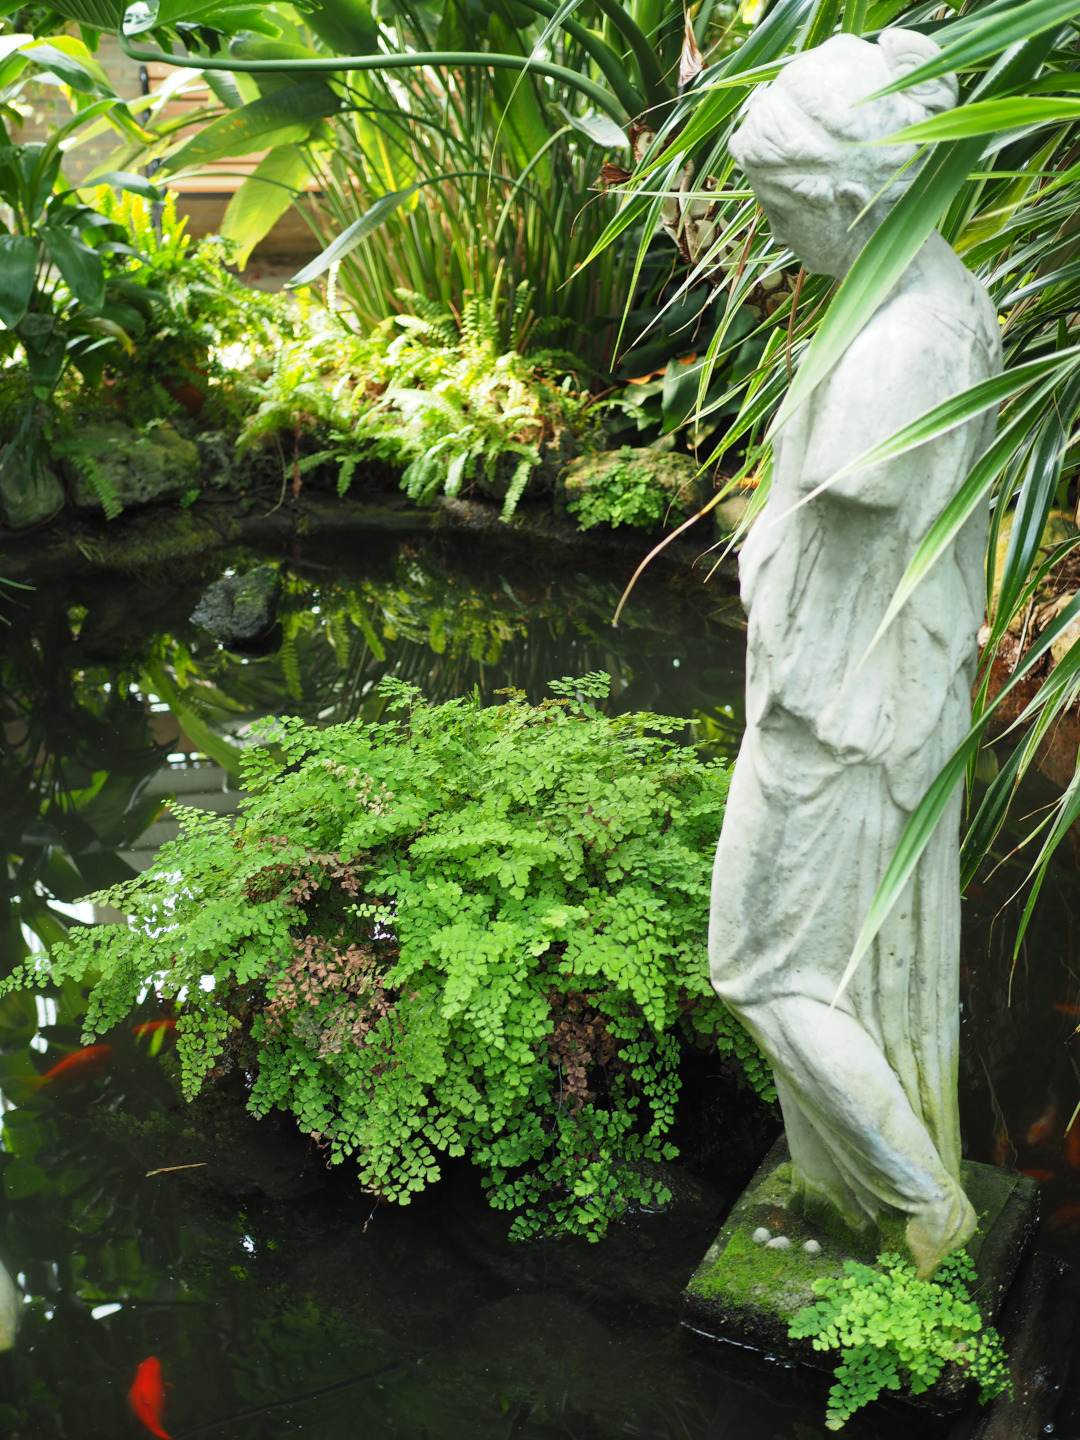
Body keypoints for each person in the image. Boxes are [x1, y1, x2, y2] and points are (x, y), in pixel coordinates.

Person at [710, 29, 1002, 1277]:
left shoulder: (902, 350)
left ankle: (923, 1200)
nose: (782, 243)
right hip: (857, 698)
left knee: (760, 967)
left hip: (838, 715)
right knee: (825, 968)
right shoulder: (932, 292)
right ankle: (865, 1192)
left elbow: (834, 498)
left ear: (847, 199)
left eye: (786, 215)